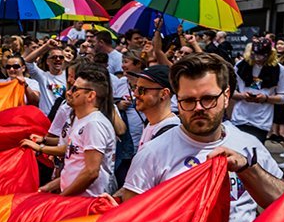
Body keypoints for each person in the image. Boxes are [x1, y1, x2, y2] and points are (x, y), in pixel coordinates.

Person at [117, 53, 284, 222]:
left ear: (226, 96)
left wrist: (248, 169)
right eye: (188, 101)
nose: (198, 108)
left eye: (208, 99)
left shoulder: (250, 146)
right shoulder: (153, 154)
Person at [25, 63, 117, 197]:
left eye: (75, 89)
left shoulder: (94, 124)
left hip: (87, 203)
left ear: (91, 96)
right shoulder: (82, 120)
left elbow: (91, 172)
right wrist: (50, 186)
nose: (68, 92)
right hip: (74, 199)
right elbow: (74, 163)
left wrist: (62, 199)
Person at [231, 38, 284, 142]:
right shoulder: (240, 66)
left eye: (262, 55)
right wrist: (242, 96)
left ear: (269, 54)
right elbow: (229, 91)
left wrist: (266, 98)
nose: (258, 58)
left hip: (261, 120)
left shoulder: (279, 70)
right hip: (240, 117)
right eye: (255, 54)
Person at [127, 64, 180, 151]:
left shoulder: (170, 132)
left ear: (164, 93)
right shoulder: (150, 122)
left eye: (142, 90)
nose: (135, 94)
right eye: (135, 88)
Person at [24, 38, 69, 115]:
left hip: (62, 120)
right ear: (47, 61)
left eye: (61, 57)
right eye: (54, 57)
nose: (58, 59)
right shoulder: (43, 77)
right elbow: (27, 62)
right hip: (45, 119)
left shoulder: (69, 77)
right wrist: (46, 46)